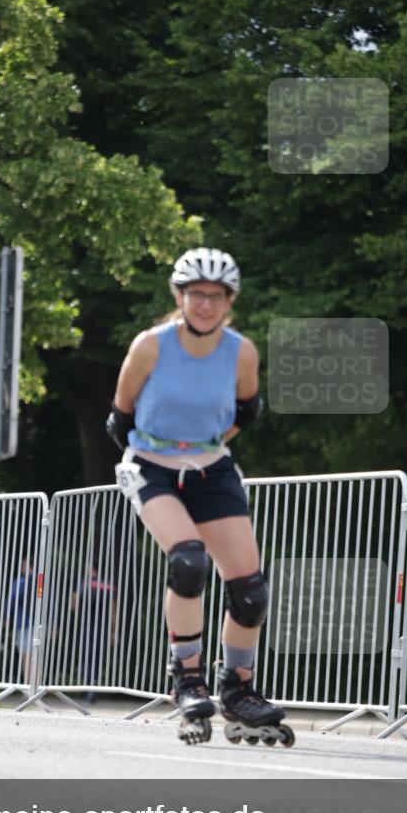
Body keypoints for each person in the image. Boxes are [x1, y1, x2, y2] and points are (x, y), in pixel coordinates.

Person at [106, 247, 294, 747]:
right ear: (179, 296)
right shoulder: (151, 346)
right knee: (188, 562)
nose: (205, 304)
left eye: (215, 296)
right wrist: (155, 458)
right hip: (150, 466)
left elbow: (246, 411)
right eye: (196, 294)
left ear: (229, 301)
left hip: (211, 465)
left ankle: (238, 688)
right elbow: (119, 418)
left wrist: (203, 449)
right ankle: (188, 680)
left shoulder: (242, 352)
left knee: (250, 588)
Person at [70, 564, 117, 704]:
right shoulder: (109, 587)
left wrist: (73, 595)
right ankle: (92, 690)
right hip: (103, 627)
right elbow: (113, 611)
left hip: (86, 625)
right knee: (97, 658)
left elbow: (74, 607)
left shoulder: (83, 584)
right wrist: (114, 632)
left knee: (86, 657)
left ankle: (88, 689)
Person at [6, 557, 36, 684]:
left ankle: (28, 686)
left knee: (26, 655)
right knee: (33, 656)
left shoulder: (20, 582)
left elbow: (11, 601)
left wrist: (6, 617)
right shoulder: (40, 582)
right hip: (37, 623)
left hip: (23, 622)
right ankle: (33, 686)